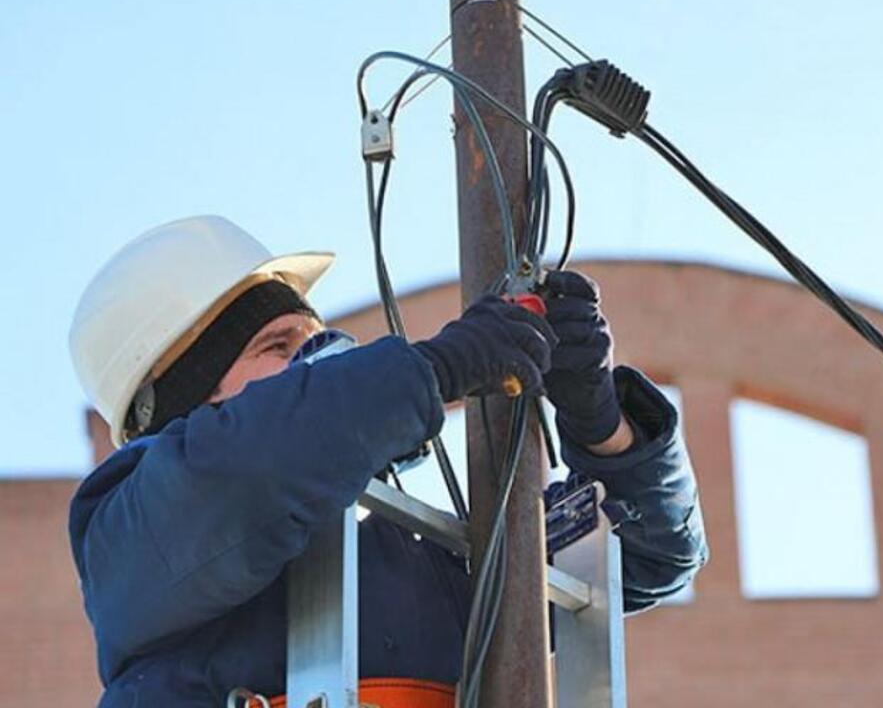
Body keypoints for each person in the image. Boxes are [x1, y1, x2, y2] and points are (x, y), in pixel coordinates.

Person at [66, 215, 707, 707]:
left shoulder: (421, 559)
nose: (319, 350)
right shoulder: (128, 532)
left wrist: (604, 427)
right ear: (193, 399)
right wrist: (436, 369)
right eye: (277, 344)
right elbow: (247, 468)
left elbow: (648, 559)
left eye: (312, 333)